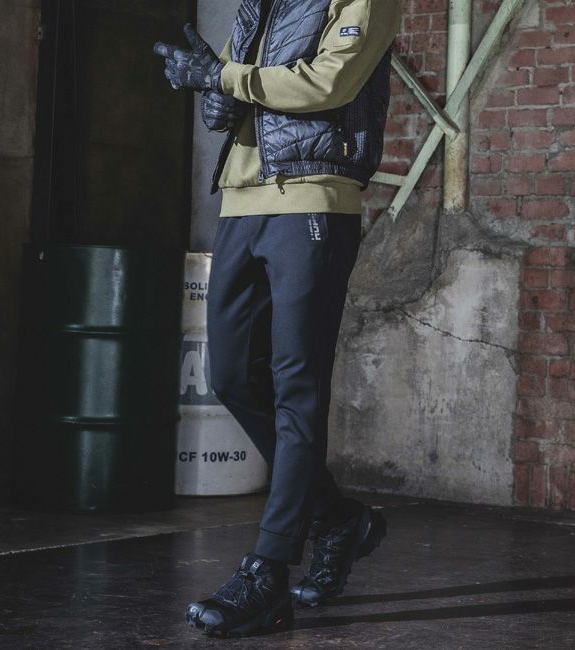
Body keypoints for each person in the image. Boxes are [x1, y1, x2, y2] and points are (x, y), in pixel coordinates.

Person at [154, 0, 402, 638]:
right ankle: (339, 519)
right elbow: (240, 92)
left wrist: (222, 78)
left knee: (298, 385)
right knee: (233, 377)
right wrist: (213, 93)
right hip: (241, 203)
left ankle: (267, 570)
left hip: (313, 198)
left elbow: (327, 84)